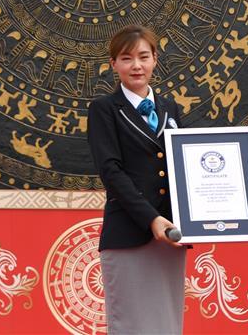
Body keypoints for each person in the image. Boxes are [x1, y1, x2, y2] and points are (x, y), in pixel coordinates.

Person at [87, 24, 186, 334]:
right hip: (130, 233)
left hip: (171, 235)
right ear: (113, 64)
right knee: (131, 324)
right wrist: (152, 219)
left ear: (155, 59)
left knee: (167, 322)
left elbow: (183, 169)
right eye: (126, 58)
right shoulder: (104, 109)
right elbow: (111, 172)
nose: (136, 65)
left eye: (144, 56)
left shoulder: (170, 109)